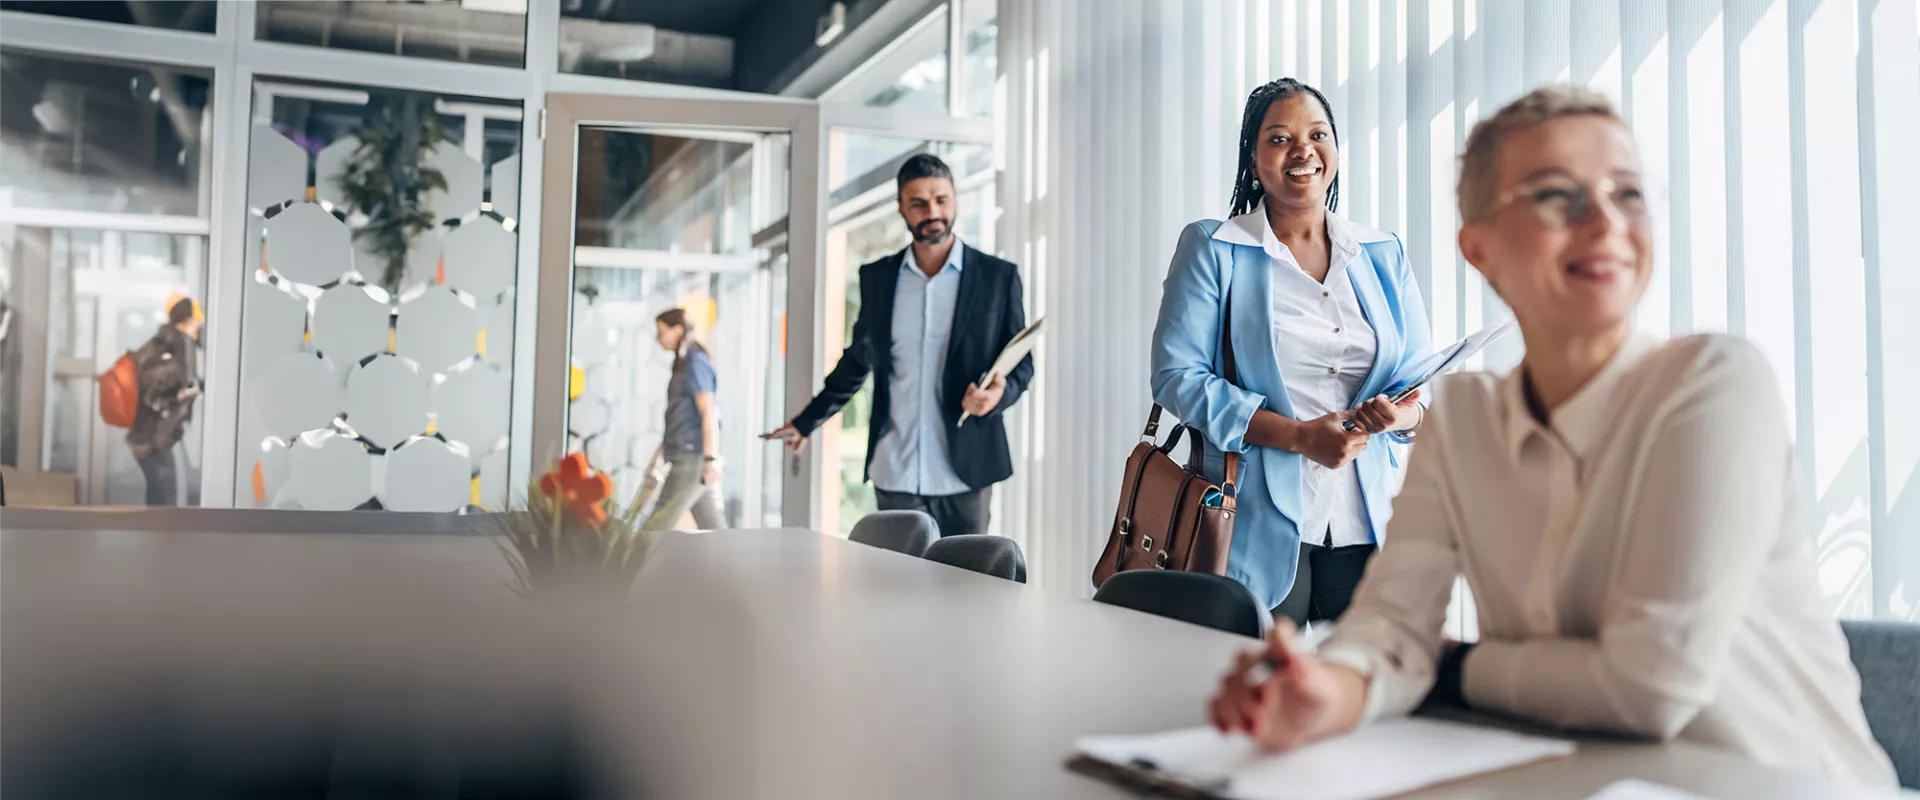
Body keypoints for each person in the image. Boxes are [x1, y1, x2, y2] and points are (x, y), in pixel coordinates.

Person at [1205, 86, 1896, 787]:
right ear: (1480, 249)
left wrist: (1447, 667)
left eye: (1627, 193)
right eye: (1555, 195)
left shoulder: (1715, 384)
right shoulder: (1465, 421)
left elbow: (1646, 684)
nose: (1604, 220)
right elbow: (1390, 628)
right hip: (1581, 782)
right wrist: (1326, 692)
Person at [1150, 78, 1433, 623]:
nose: (1303, 150)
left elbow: (1420, 384)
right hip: (1252, 519)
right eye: (1279, 139)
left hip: (1365, 519)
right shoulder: (1215, 248)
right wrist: (1300, 437)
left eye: (1317, 134)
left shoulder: (1382, 253)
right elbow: (1176, 377)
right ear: (1253, 159)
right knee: (1258, 693)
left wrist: (1398, 414)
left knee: (1358, 694)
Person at [762, 154, 1033, 539]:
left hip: (966, 470)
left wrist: (999, 396)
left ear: (955, 199)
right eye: (918, 203)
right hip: (895, 470)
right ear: (901, 209)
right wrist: (808, 420)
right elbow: (858, 361)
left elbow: (1022, 362)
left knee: (968, 590)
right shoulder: (878, 278)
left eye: (941, 199)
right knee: (896, 588)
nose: (932, 211)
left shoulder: (997, 278)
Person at [641, 307, 726, 531]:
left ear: (677, 330)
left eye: (661, 331)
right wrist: (658, 455)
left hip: (692, 459)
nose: (658, 338)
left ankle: (630, 566)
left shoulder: (695, 362)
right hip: (687, 455)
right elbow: (678, 417)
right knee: (715, 530)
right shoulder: (683, 363)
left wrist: (710, 459)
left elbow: (708, 412)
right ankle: (732, 565)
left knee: (655, 529)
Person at [128, 297, 203, 506]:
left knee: (160, 493)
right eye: (198, 317)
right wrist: (184, 396)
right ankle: (158, 536)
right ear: (188, 319)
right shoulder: (175, 346)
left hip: (149, 434)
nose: (201, 322)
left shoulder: (163, 342)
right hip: (153, 435)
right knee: (163, 495)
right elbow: (154, 395)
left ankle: (156, 534)